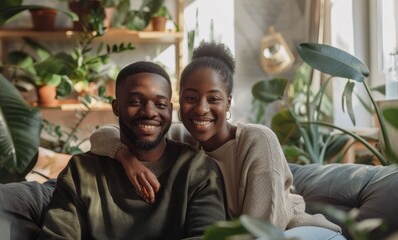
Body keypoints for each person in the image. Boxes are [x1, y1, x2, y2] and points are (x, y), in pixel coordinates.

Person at [90, 42, 345, 239]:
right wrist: (126, 157)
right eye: (191, 98)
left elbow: (263, 229)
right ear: (178, 100)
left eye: (213, 99)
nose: (201, 109)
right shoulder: (180, 138)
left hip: (296, 233)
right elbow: (102, 135)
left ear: (228, 103)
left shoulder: (256, 140)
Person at [38, 61, 227, 240]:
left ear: (170, 110)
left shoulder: (196, 169)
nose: (149, 112)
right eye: (136, 101)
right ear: (116, 107)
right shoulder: (82, 172)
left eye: (160, 104)